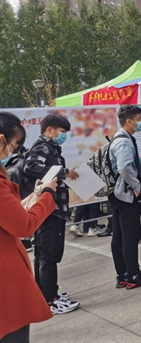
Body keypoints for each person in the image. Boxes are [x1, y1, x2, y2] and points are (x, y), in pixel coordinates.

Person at [0, 112, 60, 342]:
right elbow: (25, 225)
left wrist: (35, 195)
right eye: (14, 145)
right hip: (6, 283)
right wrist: (47, 194)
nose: (12, 153)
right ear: (2, 139)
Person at [23, 114, 80, 314]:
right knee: (49, 255)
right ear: (50, 130)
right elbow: (31, 167)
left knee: (43, 254)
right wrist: (63, 172)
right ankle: (51, 299)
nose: (63, 136)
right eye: (62, 132)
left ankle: (44, 294)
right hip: (49, 210)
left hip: (48, 209)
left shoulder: (50, 148)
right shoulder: (44, 147)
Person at [108, 105, 141, 290]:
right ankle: (133, 275)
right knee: (130, 235)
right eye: (138, 120)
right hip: (126, 195)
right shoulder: (124, 142)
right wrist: (136, 186)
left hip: (117, 194)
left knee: (119, 236)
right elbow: (125, 167)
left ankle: (122, 275)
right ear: (129, 121)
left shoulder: (117, 138)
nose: (140, 123)